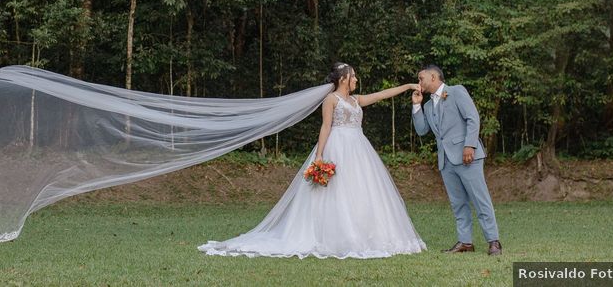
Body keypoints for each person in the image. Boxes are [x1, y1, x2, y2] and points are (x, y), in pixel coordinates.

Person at [199, 63, 426, 259]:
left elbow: (381, 95)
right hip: (337, 147)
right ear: (344, 78)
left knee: (361, 191)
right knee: (336, 192)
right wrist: (319, 156)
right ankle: (335, 235)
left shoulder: (357, 100)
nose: (357, 79)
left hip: (359, 149)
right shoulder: (331, 99)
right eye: (354, 75)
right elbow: (326, 126)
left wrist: (407, 86)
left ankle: (363, 234)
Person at [411, 65, 502, 256]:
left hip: (467, 156)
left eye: (421, 78)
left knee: (480, 199)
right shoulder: (427, 105)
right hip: (446, 161)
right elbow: (421, 130)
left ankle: (494, 241)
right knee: (458, 203)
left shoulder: (456, 91)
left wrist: (470, 145)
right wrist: (416, 105)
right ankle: (465, 242)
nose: (419, 83)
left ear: (434, 77)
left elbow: (472, 118)